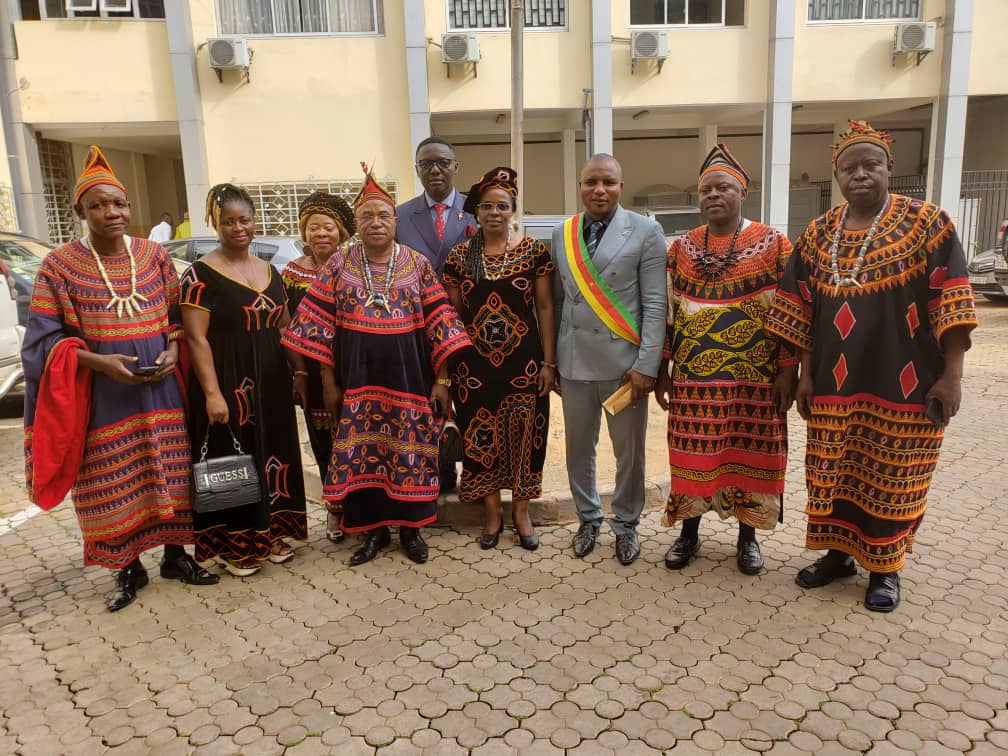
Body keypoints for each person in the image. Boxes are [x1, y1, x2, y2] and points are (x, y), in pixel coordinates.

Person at [765, 121, 978, 612]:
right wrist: (805, 374)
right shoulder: (819, 233)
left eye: (871, 165)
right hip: (835, 385)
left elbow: (952, 301)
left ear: (889, 168)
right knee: (831, 470)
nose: (860, 174)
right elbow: (799, 308)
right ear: (836, 174)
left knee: (892, 474)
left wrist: (951, 377)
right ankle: (838, 556)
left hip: (905, 383)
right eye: (849, 167)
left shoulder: (928, 223)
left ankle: (885, 569)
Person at [22, 145, 217, 612]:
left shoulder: (153, 256)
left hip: (162, 393)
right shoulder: (60, 265)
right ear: (81, 211)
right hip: (103, 396)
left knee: (172, 472)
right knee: (111, 481)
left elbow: (176, 314)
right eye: (99, 205)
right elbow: (43, 341)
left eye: (119, 204)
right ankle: (128, 569)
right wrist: (98, 363)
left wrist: (172, 349)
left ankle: (176, 556)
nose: (111, 212)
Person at [283, 164, 471, 567]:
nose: (376, 222)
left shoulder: (417, 263)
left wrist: (441, 380)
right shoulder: (339, 264)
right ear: (357, 222)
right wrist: (328, 380)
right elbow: (319, 325)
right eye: (367, 215)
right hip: (356, 379)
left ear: (395, 220)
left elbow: (442, 321)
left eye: (384, 215)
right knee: (364, 452)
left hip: (410, 377)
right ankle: (372, 533)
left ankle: (411, 531)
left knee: (410, 452)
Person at [655, 144, 795, 575]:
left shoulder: (774, 244)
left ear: (743, 193)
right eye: (706, 190)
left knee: (750, 453)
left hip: (754, 379)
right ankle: (688, 533)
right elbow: (667, 311)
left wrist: (789, 370)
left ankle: (748, 538)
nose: (714, 196)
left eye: (724, 188)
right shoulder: (681, 248)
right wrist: (663, 367)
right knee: (692, 452)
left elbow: (792, 312)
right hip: (695, 379)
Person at [180, 183, 307, 577]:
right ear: (215, 225)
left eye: (245, 220)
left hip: (271, 381)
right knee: (232, 460)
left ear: (255, 222)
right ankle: (234, 543)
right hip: (228, 381)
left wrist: (299, 372)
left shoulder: (271, 271)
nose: (238, 228)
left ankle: (269, 535)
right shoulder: (199, 275)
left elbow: (285, 326)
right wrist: (213, 394)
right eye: (228, 221)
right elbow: (196, 338)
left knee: (274, 453)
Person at [551, 154, 668, 565]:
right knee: (579, 449)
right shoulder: (562, 234)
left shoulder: (646, 231)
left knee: (629, 453)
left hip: (624, 365)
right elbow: (559, 301)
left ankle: (626, 524)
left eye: (609, 182)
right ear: (580, 186)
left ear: (621, 186)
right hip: (575, 362)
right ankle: (588, 519)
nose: (600, 190)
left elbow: (656, 305)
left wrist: (647, 366)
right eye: (591, 182)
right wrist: (553, 361)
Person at [442, 167, 556, 551]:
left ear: (512, 210)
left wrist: (549, 363)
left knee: (526, 439)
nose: (494, 212)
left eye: (502, 206)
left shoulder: (533, 252)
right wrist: (449, 372)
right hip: (473, 370)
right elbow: (453, 318)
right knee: (480, 439)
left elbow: (544, 307)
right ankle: (492, 515)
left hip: (525, 365)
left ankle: (521, 513)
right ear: (476, 211)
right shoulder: (460, 258)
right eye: (487, 205)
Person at [396, 136, 477, 494]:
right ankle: (438, 477)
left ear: (456, 166)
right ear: (417, 170)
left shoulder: (478, 211)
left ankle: (477, 476)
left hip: (472, 328)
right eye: (426, 163)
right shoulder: (399, 216)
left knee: (473, 402)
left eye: (443, 162)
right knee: (428, 401)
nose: (435, 170)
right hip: (416, 330)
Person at [282, 191, 355, 543]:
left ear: (341, 232)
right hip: (310, 374)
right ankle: (335, 508)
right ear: (303, 232)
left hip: (353, 369)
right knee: (324, 441)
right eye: (313, 228)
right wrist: (298, 372)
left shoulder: (354, 267)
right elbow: (287, 327)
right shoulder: (291, 274)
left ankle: (362, 506)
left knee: (358, 438)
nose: (321, 234)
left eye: (328, 227)